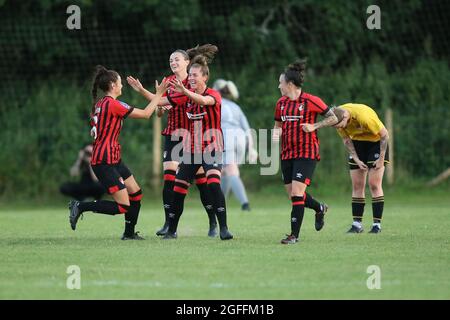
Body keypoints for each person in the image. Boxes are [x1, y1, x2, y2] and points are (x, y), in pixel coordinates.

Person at [126, 45, 218, 237]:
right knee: (169, 177)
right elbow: (160, 106)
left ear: (187, 62)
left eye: (177, 59)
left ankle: (213, 221)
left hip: (194, 136)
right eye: (171, 60)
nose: (173, 62)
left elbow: (163, 101)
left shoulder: (193, 82)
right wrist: (149, 96)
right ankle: (169, 223)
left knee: (202, 182)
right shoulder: (168, 81)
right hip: (174, 134)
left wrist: (145, 93)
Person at [68, 65, 168, 240]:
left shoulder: (102, 104)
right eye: (120, 82)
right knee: (123, 205)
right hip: (103, 161)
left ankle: (129, 234)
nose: (122, 86)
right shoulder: (112, 104)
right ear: (113, 85)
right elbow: (146, 114)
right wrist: (159, 94)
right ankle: (80, 206)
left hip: (113, 158)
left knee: (136, 193)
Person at [162, 48, 233, 240]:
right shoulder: (185, 96)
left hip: (212, 148)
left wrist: (184, 90)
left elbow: (203, 100)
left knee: (213, 182)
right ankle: (171, 230)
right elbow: (161, 102)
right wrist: (146, 93)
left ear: (204, 77)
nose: (191, 78)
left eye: (194, 75)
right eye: (190, 75)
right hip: (192, 150)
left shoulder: (213, 94)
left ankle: (224, 228)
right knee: (178, 187)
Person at [273, 59, 338, 245]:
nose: (279, 86)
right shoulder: (281, 103)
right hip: (287, 154)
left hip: (306, 153)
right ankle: (319, 207)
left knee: (296, 193)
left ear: (290, 84)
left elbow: (334, 118)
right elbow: (278, 124)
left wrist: (315, 125)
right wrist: (275, 136)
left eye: (281, 83)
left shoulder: (311, 101)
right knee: (293, 195)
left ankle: (294, 235)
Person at [331, 103, 389, 234]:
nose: (339, 128)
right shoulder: (335, 117)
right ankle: (357, 225)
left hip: (376, 143)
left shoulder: (365, 117)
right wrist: (356, 159)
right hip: (358, 144)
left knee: (374, 184)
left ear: (346, 117)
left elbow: (385, 135)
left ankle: (376, 225)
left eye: (340, 125)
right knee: (357, 185)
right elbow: (346, 140)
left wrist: (381, 158)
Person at [213, 79, 257, 211]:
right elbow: (248, 129)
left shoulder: (215, 104)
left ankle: (245, 204)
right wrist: (251, 148)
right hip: (241, 138)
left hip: (227, 136)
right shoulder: (235, 107)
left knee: (231, 171)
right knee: (225, 172)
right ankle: (221, 204)